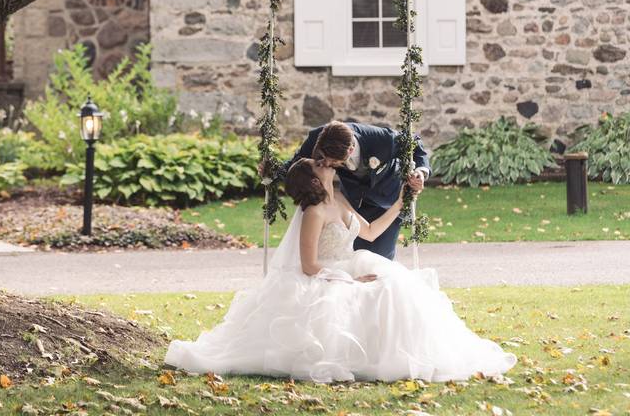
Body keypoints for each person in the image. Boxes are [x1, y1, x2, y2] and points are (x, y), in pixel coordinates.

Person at [164, 158, 516, 383]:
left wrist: (400, 204)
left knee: (397, 284)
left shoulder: (342, 201)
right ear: (313, 179)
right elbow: (309, 265)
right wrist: (348, 279)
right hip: (327, 276)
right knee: (367, 293)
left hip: (352, 262)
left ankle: (420, 353)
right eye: (321, 165)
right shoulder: (313, 213)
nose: (329, 165)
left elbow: (371, 233)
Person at [282, 120, 430, 259]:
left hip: (387, 201)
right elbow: (296, 166)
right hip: (352, 201)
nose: (326, 163)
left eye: (333, 162)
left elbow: (414, 144)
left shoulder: (383, 140)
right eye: (322, 159)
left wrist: (421, 172)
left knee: (381, 257)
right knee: (355, 253)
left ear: (351, 150)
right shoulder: (319, 138)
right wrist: (272, 171)